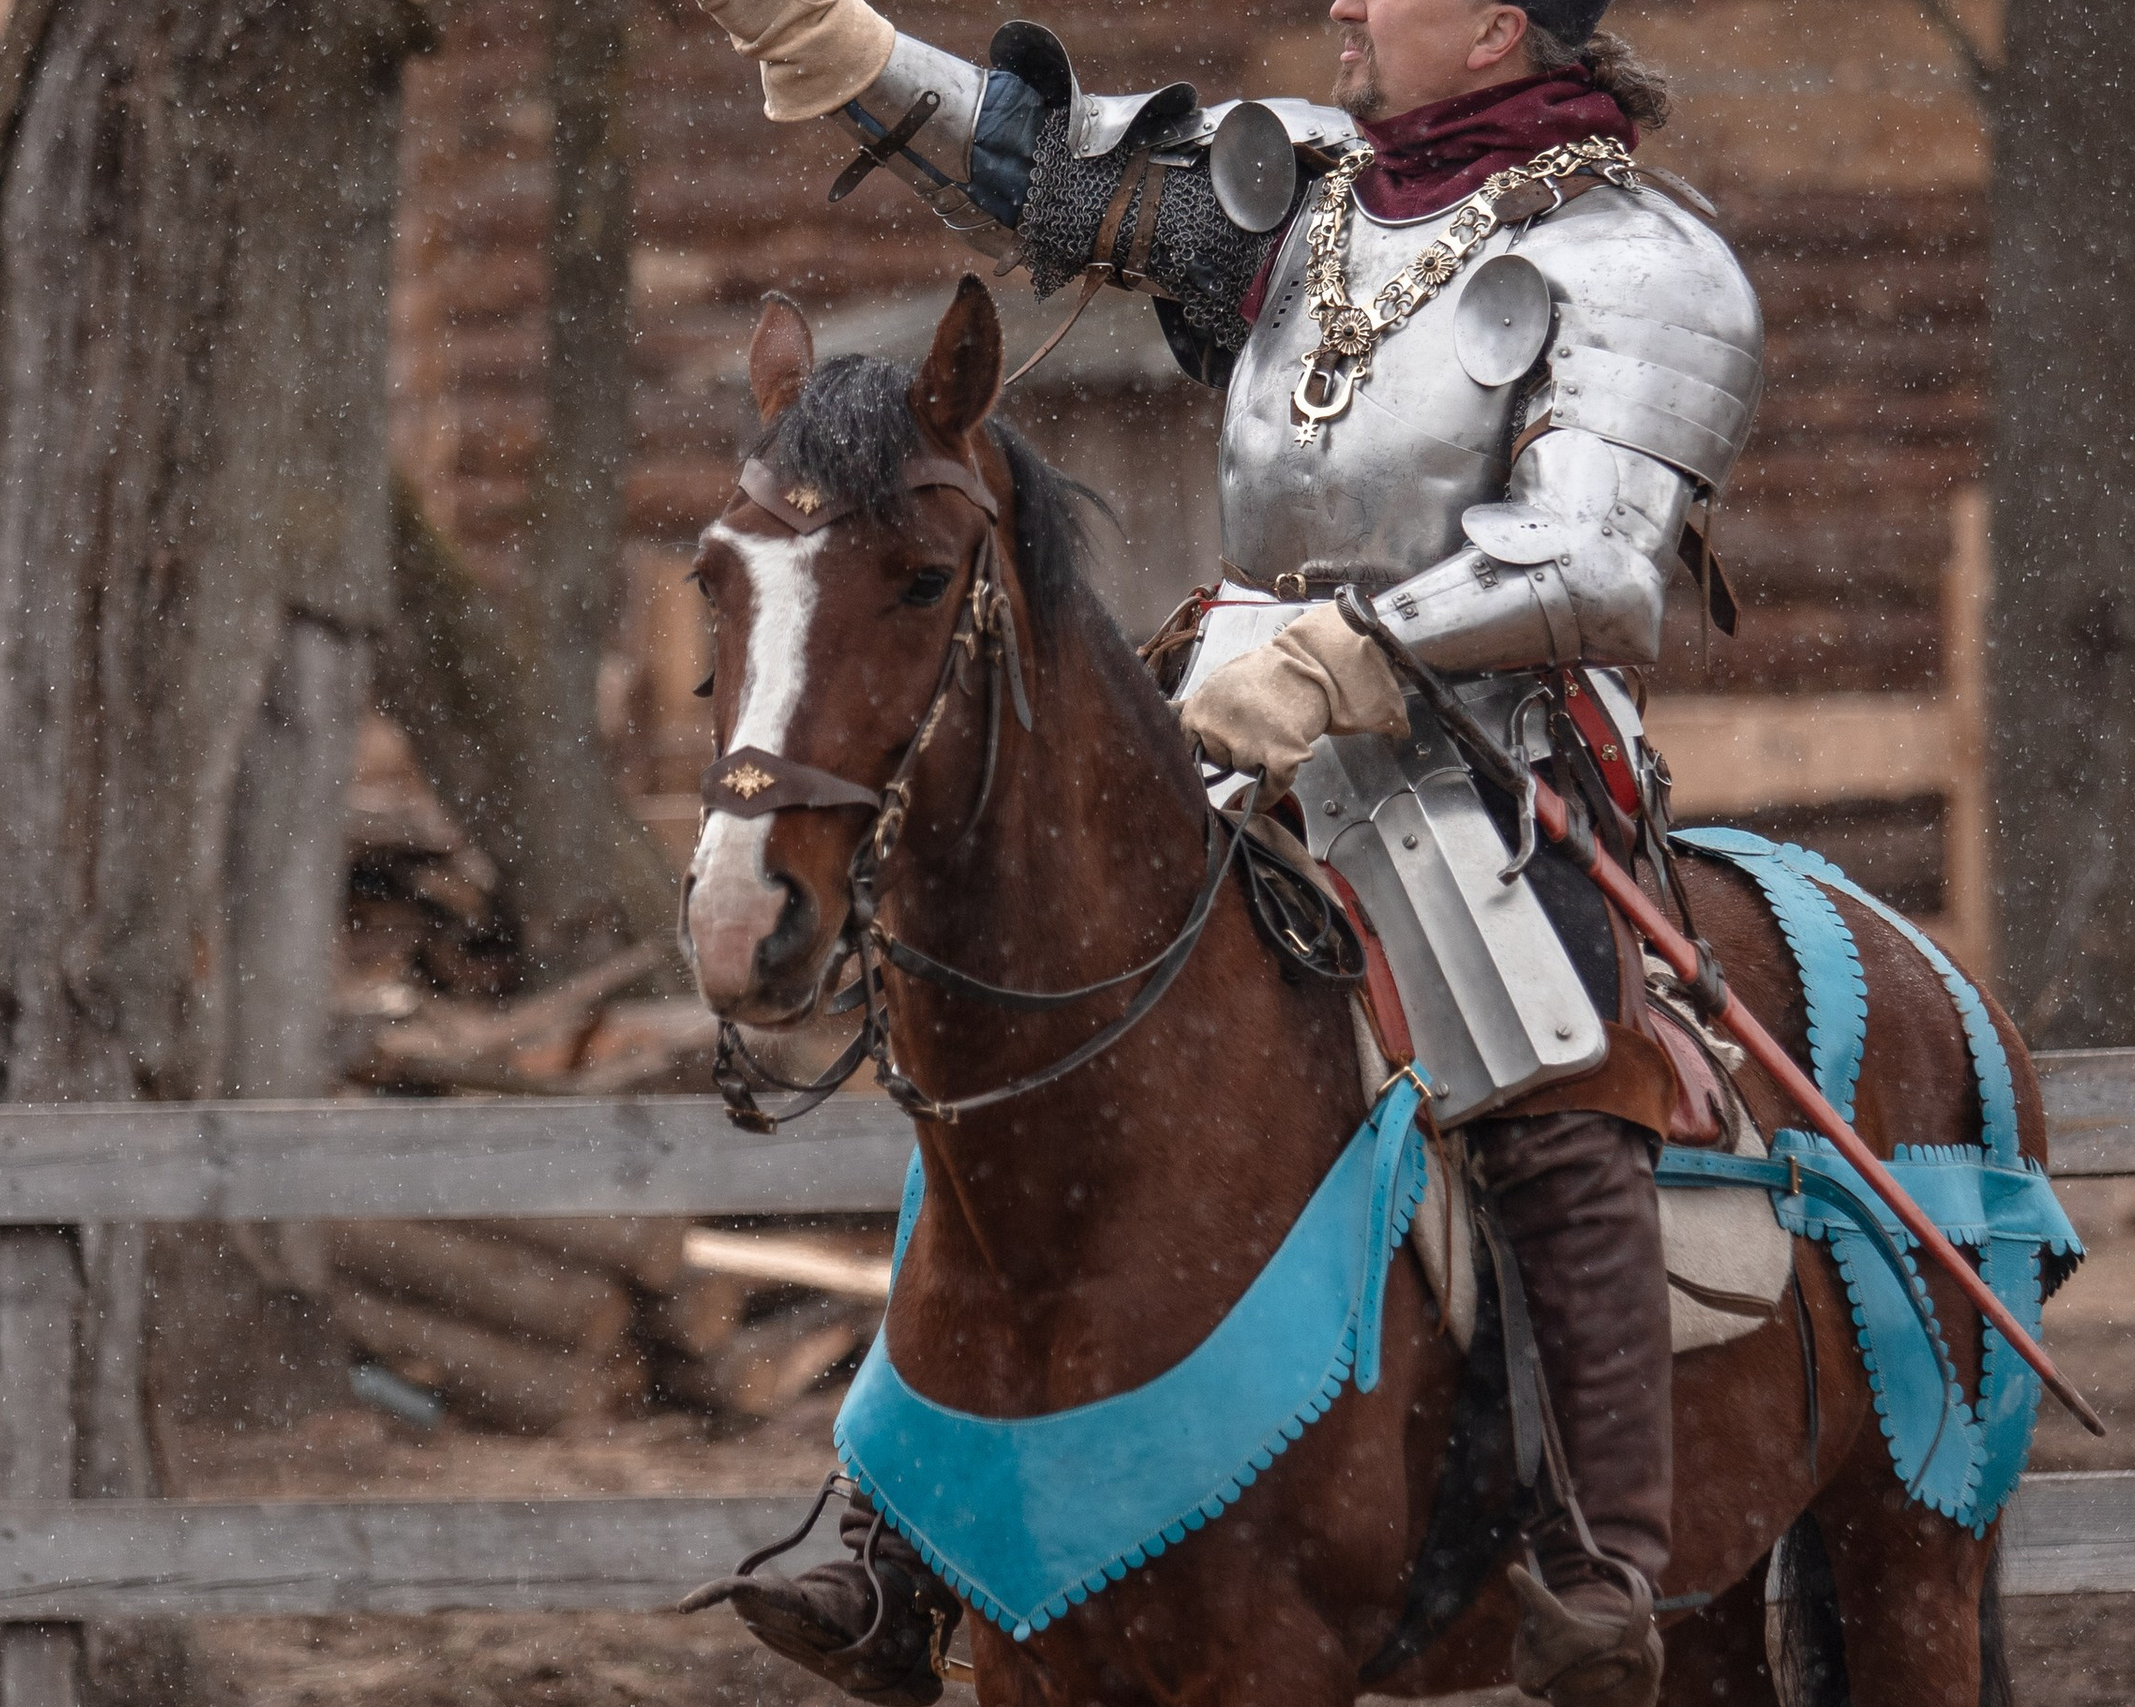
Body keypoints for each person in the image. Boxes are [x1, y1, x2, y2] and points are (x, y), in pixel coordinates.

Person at [693, 1, 1763, 1701]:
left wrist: (1356, 651)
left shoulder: (1644, 263)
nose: (1346, 6)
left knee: (1553, 1083)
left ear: (1499, 26)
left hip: (1491, 756)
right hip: (1227, 716)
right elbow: (1050, 176)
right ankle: (899, 1534)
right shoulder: (1315, 187)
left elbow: (1599, 564)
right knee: (1023, 1023)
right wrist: (839, 44)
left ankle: (1600, 1553)